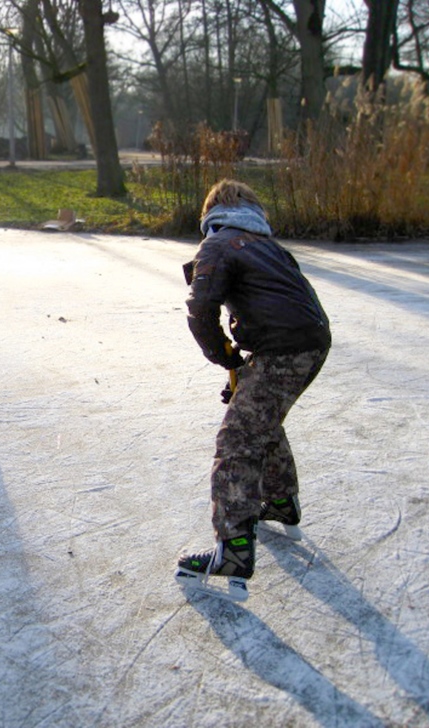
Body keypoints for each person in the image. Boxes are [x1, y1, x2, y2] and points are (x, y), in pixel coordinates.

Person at [175, 179, 331, 601]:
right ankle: (280, 501)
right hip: (310, 343)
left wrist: (223, 356)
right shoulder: (270, 247)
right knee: (260, 417)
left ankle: (234, 550)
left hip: (283, 347)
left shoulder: (219, 243)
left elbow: (200, 307)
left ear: (210, 214)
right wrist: (246, 371)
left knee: (237, 439)